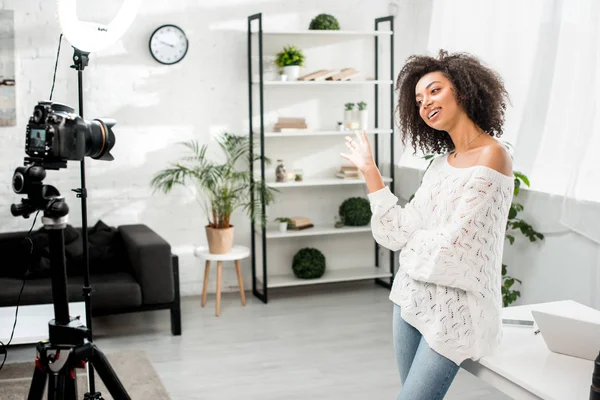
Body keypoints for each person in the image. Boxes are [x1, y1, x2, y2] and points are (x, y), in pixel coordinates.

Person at [340, 49, 515, 399]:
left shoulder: (493, 155)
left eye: (434, 91)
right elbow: (395, 232)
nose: (425, 103)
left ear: (463, 91)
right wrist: (369, 171)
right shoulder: (438, 165)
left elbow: (453, 249)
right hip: (410, 297)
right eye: (418, 99)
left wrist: (412, 244)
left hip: (458, 314)